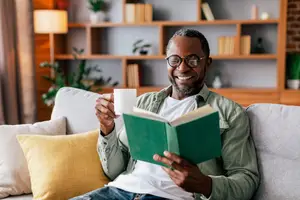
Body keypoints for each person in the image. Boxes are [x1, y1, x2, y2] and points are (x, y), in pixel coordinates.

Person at [71, 28, 260, 200]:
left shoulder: (229, 112)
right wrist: (107, 128)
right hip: (118, 192)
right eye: (175, 59)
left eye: (193, 59)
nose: (183, 68)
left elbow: (246, 180)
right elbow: (114, 170)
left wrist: (205, 184)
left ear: (207, 63)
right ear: (167, 62)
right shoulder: (143, 103)